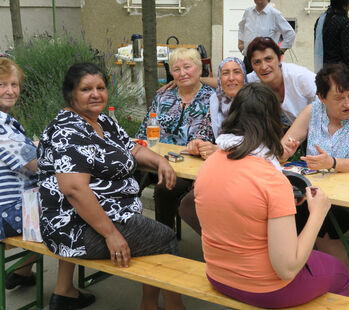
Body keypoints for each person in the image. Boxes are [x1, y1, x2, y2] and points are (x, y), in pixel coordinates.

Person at [38, 63, 184, 310]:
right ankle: (160, 306)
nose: (96, 94)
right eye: (86, 89)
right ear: (70, 94)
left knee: (154, 234)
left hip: (106, 215)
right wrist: (111, 235)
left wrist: (160, 160)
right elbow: (74, 190)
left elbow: (134, 149)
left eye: (100, 87)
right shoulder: (69, 130)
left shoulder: (103, 121)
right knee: (165, 239)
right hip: (75, 228)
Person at [194, 82, 349, 308]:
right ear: (273, 123)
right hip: (267, 289)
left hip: (218, 277)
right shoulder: (272, 180)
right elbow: (287, 268)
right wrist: (318, 212)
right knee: (340, 272)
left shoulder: (209, 164)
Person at [280, 63, 349, 297]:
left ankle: (347, 291)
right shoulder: (313, 111)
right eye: (339, 98)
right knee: (286, 212)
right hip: (315, 192)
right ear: (321, 97)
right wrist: (286, 151)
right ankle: (301, 283)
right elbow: (282, 147)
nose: (348, 103)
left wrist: (332, 163)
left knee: (325, 224)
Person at [135, 47, 215, 231]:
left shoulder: (211, 98)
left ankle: (165, 239)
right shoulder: (163, 95)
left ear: (199, 68)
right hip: (153, 159)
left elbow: (205, 137)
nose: (182, 73)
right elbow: (145, 130)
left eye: (187, 67)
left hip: (187, 166)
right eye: (176, 69)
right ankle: (130, 229)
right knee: (127, 176)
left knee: (165, 188)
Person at [179, 57, 248, 235]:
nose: (231, 78)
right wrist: (198, 142)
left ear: (244, 77)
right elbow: (205, 130)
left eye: (236, 72)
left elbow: (257, 141)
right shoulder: (215, 101)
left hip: (246, 171)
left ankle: (225, 248)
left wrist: (219, 150)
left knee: (194, 203)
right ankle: (219, 247)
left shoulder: (255, 102)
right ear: (219, 80)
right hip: (219, 167)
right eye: (225, 73)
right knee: (189, 204)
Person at [246, 37, 349, 128]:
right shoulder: (252, 80)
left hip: (319, 129)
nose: (263, 66)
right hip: (291, 132)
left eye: (268, 59)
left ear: (279, 59)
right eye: (257, 62)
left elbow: (329, 88)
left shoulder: (299, 76)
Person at [0, 57, 39, 290]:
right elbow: (35, 164)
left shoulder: (7, 123)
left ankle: (23, 272)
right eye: (2, 84)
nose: (10, 90)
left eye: (14, 85)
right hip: (6, 214)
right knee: (75, 203)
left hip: (9, 207)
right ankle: (65, 291)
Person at [238, 0, 295, 73]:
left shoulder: (275, 14)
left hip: (265, 62)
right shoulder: (248, 12)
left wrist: (280, 51)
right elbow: (241, 27)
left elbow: (290, 33)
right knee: (248, 83)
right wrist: (240, 42)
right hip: (248, 59)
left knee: (264, 84)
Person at [314, 0, 349, 74]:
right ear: (344, 5)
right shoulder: (344, 21)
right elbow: (347, 52)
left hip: (323, 71)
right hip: (339, 73)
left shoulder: (320, 20)